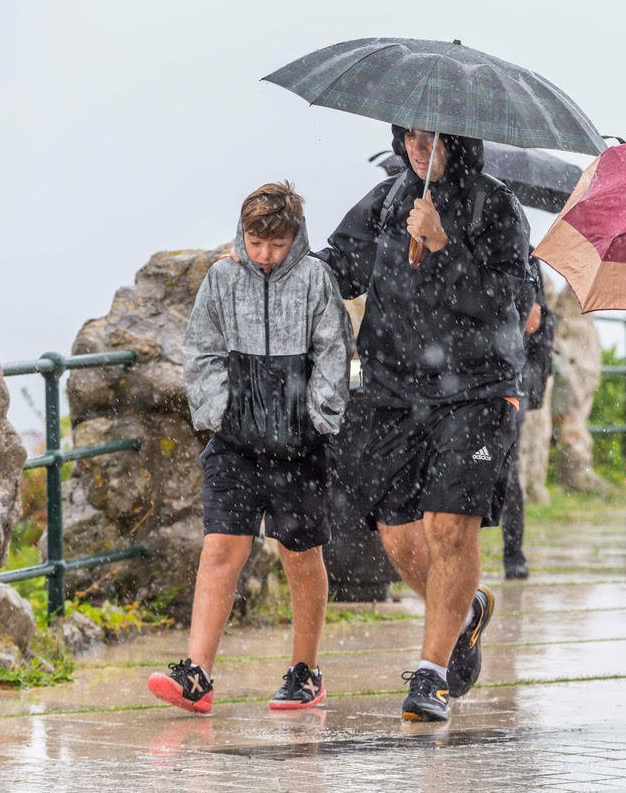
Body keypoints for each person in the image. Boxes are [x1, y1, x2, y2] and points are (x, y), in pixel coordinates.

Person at [317, 126, 529, 721]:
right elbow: (336, 267)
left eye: (430, 136)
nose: (417, 146)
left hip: (478, 390)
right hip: (391, 391)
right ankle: (463, 616)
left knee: (450, 527)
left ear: (459, 139)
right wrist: (275, 263)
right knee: (400, 537)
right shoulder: (387, 199)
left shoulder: (496, 205)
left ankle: (430, 676)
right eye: (408, 134)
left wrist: (444, 246)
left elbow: (511, 298)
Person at [148, 182, 351, 714]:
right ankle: (198, 675)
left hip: (300, 446)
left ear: (295, 237)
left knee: (301, 556)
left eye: (277, 244)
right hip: (234, 444)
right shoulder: (220, 278)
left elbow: (334, 351)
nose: (265, 254)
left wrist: (316, 419)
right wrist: (218, 414)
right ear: (243, 234)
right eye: (256, 242)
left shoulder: (316, 280)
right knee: (220, 549)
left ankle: (304, 672)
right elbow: (201, 349)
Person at [501, 254, 555, 580]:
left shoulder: (527, 257)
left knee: (507, 470)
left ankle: (513, 553)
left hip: (511, 378)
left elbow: (537, 322)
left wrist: (532, 390)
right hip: (465, 375)